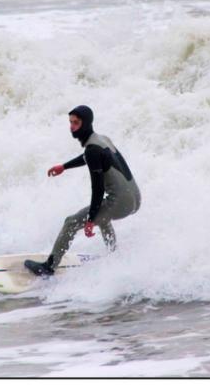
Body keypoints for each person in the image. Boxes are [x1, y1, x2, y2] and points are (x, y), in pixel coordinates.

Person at [24, 105, 142, 276]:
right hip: (135, 198)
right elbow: (90, 157)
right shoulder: (102, 139)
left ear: (86, 123)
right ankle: (113, 253)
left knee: (71, 222)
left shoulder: (92, 150)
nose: (72, 127)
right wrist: (64, 166)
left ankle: (49, 267)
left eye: (76, 123)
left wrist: (90, 220)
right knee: (103, 213)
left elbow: (98, 188)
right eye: (70, 122)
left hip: (121, 204)